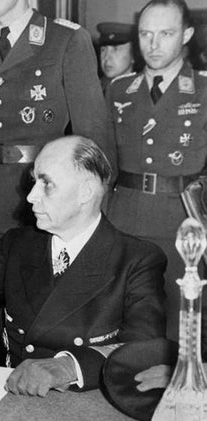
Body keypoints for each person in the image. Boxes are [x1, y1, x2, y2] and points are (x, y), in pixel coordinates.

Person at [0, 0, 112, 364]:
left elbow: (94, 143)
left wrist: (91, 224)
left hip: (36, 208)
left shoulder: (65, 41)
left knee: (31, 326)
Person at [0, 136, 166, 396]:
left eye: (47, 184)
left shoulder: (136, 260)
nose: (31, 196)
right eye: (34, 182)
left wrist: (69, 366)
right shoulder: (17, 245)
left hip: (89, 399)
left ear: (85, 192)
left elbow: (144, 351)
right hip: (15, 397)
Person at [105, 0, 205, 340]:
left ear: (186, 35)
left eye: (166, 34)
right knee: (123, 324)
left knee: (179, 328)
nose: (154, 44)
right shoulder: (119, 89)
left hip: (182, 223)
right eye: (146, 34)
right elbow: (103, 161)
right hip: (123, 220)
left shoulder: (204, 90)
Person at [97, 22, 136, 91]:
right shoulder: (94, 88)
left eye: (115, 49)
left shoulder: (144, 91)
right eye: (103, 50)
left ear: (134, 54)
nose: (107, 57)